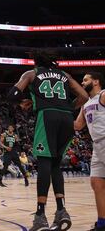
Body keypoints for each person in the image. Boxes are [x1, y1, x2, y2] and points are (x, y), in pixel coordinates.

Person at [9, 50, 88, 231]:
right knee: (55, 164)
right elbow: (84, 96)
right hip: (67, 118)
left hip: (47, 116)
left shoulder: (32, 73)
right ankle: (61, 211)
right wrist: (68, 107)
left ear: (36, 62)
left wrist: (23, 101)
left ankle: (40, 215)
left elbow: (12, 95)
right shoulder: (65, 75)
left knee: (44, 162)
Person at [74, 72, 105, 231]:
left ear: (96, 81)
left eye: (86, 79)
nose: (82, 82)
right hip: (97, 145)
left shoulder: (103, 94)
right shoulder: (85, 103)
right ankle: (102, 224)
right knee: (96, 182)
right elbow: (78, 125)